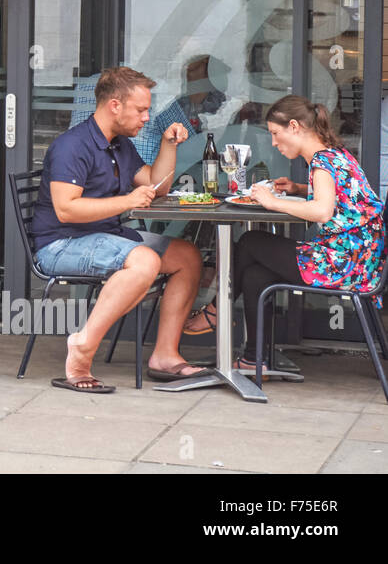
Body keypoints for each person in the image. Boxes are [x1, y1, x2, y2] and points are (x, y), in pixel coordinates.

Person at [32, 66, 207, 393]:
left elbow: (157, 186)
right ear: (115, 105)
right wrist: (127, 201)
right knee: (145, 261)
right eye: (141, 110)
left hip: (104, 236)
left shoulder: (119, 144)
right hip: (62, 244)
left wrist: (169, 145)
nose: (146, 117)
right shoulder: (72, 146)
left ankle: (165, 356)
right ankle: (82, 348)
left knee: (186, 256)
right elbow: (66, 209)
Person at [183, 95, 385, 376]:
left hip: (342, 265)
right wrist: (298, 189)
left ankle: (216, 311)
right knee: (255, 275)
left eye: (276, 134)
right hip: (361, 263)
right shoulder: (336, 154)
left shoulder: (321, 163)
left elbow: (323, 211)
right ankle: (253, 359)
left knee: (251, 242)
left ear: (294, 126)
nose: (275, 143)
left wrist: (272, 201)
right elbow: (341, 199)